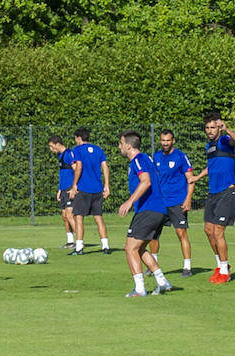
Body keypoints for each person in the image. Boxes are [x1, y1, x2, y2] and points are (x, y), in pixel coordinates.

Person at [117, 131, 174, 298]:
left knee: (129, 248)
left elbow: (146, 181)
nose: (119, 147)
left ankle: (140, 289)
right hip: (158, 210)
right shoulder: (146, 159)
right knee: (139, 248)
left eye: (121, 143)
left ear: (128, 145)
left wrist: (129, 201)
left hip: (149, 209)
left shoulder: (138, 159)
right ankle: (162, 281)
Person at [192, 112, 235, 283]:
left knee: (218, 231)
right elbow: (211, 167)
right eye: (207, 128)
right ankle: (221, 266)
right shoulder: (209, 146)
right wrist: (197, 177)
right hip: (213, 193)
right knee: (208, 230)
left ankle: (224, 271)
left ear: (218, 127)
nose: (209, 130)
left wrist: (227, 129)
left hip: (227, 191)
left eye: (212, 127)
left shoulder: (224, 141)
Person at [149, 129, 195, 277]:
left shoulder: (180, 156)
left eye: (168, 140)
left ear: (173, 140)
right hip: (160, 203)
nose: (165, 143)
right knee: (153, 235)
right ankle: (153, 266)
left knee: (181, 232)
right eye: (163, 140)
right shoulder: (156, 156)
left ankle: (187, 267)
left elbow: (191, 179)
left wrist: (188, 198)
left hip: (177, 201)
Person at [67, 127, 110, 255]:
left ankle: (79, 248)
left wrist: (74, 185)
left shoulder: (77, 150)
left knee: (79, 218)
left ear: (79, 138)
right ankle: (105, 246)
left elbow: (78, 167)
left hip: (84, 189)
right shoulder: (98, 149)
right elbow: (105, 167)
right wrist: (107, 185)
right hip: (97, 189)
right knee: (99, 218)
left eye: (75, 138)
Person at [47, 135, 76, 248]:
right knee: (64, 216)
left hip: (70, 189)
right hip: (64, 189)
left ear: (58, 144)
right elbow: (63, 174)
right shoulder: (60, 155)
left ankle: (79, 242)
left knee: (70, 215)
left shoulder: (69, 154)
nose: (51, 149)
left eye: (51, 146)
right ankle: (70, 241)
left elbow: (76, 170)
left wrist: (74, 187)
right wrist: (60, 189)